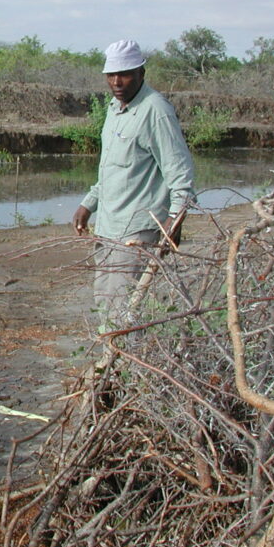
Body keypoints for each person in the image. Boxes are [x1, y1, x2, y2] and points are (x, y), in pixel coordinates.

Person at [72, 39, 195, 331]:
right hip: (109, 225)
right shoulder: (115, 108)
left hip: (137, 230)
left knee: (122, 310)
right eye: (111, 75)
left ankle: (115, 370)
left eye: (125, 73)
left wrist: (174, 219)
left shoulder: (156, 110)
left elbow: (181, 175)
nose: (117, 81)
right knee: (106, 301)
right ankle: (112, 369)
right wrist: (89, 203)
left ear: (142, 72)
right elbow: (112, 168)